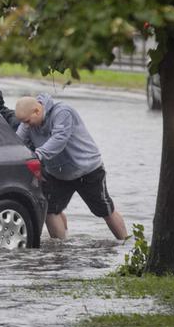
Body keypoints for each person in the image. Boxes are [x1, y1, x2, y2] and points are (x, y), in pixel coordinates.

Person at [15, 94, 128, 240]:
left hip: (87, 170)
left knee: (105, 210)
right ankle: (60, 249)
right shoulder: (27, 123)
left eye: (28, 121)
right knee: (50, 210)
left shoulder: (62, 112)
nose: (27, 125)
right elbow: (18, 141)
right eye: (24, 123)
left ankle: (126, 243)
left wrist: (37, 155)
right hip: (58, 174)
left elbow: (59, 139)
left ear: (37, 111)